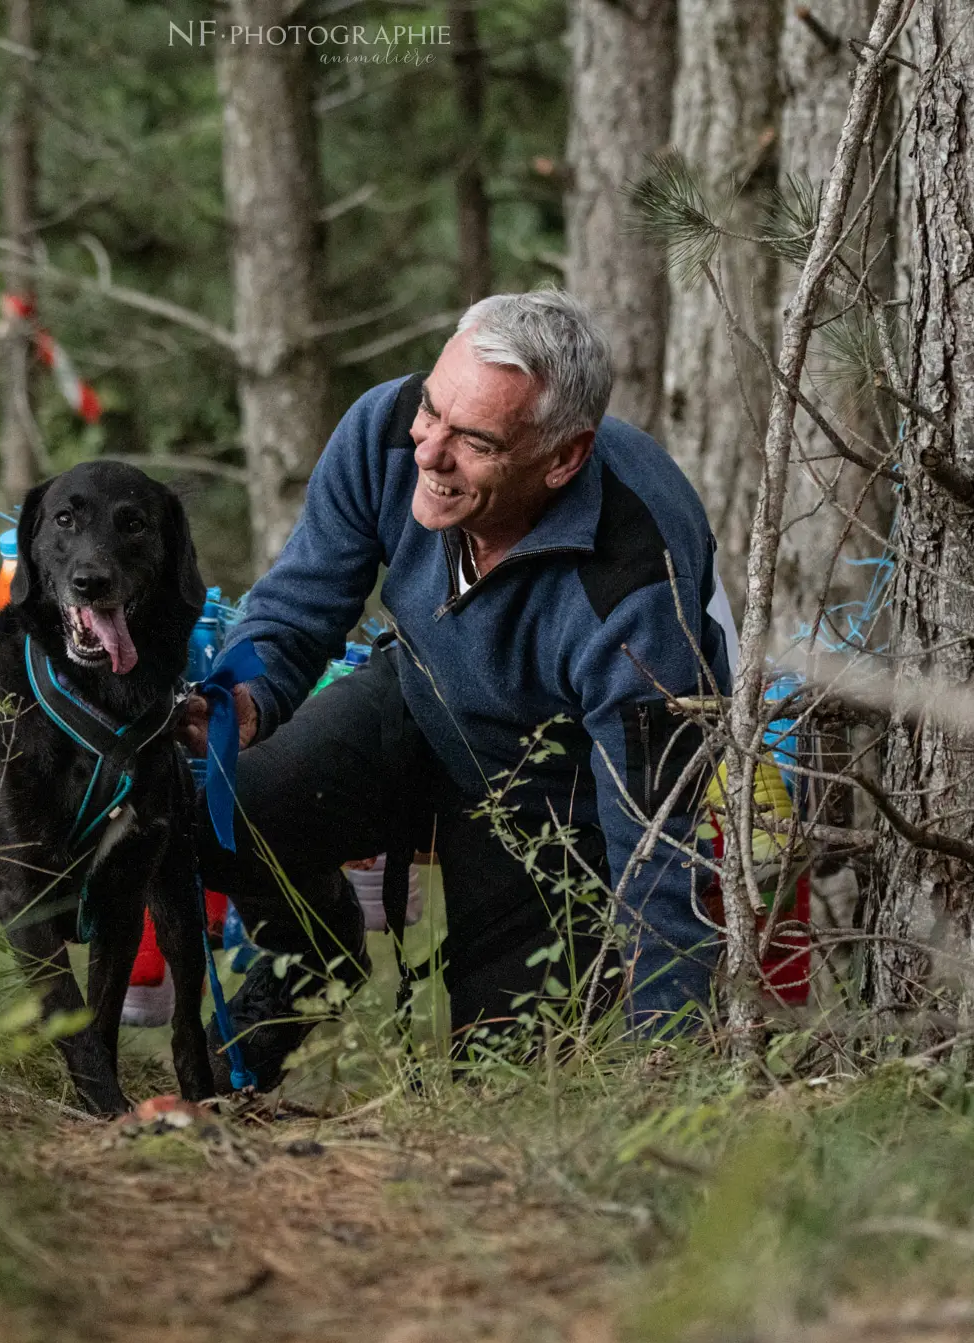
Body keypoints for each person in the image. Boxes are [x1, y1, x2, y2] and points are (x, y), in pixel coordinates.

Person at [184, 289, 734, 1088]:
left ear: (563, 458)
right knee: (218, 812)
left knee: (500, 1083)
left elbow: (658, 846)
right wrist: (245, 700)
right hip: (419, 696)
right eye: (432, 411)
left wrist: (668, 1054)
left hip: (553, 801)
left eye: (472, 440)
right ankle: (317, 949)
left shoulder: (637, 593)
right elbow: (298, 606)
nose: (428, 452)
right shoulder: (386, 428)